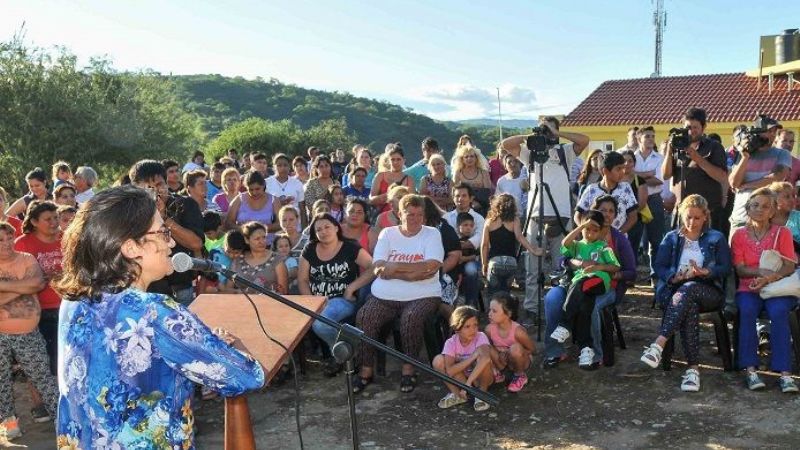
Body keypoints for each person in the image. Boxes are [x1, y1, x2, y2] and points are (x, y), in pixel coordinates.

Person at [54, 185, 264, 447]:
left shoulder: (74, 302)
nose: (172, 242)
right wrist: (232, 347)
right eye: (163, 232)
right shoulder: (154, 312)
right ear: (131, 247)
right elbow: (244, 376)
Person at [639, 194, 732, 392]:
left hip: (707, 290)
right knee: (688, 302)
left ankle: (659, 344)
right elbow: (659, 266)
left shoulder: (716, 237)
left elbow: (726, 268)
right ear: (682, 216)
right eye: (688, 217)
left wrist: (706, 271)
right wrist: (674, 277)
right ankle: (693, 370)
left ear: (705, 217)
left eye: (697, 218)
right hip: (674, 289)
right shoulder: (671, 237)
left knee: (690, 289)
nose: (692, 222)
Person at [502, 116, 590, 320]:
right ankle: (532, 309)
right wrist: (532, 135)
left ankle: (559, 307)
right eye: (545, 130)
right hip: (535, 215)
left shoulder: (565, 152)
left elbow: (584, 140)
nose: (547, 134)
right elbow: (505, 145)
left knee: (561, 266)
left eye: (549, 130)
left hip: (562, 215)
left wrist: (556, 133)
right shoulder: (529, 154)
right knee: (533, 268)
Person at [354, 195, 443, 394]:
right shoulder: (388, 234)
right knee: (365, 316)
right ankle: (365, 369)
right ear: (399, 214)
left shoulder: (431, 234)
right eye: (410, 214)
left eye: (420, 214)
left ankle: (409, 369)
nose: (415, 219)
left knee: (410, 318)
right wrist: (411, 274)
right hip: (384, 296)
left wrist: (394, 267)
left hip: (424, 295)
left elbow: (432, 266)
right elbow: (378, 267)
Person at [543, 195, 635, 368]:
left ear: (615, 215)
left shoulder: (618, 239)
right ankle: (555, 351)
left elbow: (630, 272)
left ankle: (594, 353)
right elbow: (563, 260)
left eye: (611, 211)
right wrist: (578, 263)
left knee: (590, 305)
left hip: (604, 287)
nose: (607, 214)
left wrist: (601, 269)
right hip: (573, 281)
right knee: (552, 298)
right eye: (602, 210)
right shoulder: (581, 239)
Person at [731, 187, 798, 392]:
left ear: (773, 211)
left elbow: (789, 265)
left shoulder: (783, 233)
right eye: (755, 205)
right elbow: (740, 269)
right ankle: (751, 370)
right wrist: (759, 272)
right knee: (747, 310)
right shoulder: (739, 235)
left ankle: (785, 373)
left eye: (766, 206)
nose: (759, 209)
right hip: (748, 287)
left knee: (779, 312)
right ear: (748, 208)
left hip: (777, 287)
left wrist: (769, 277)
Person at [0, 221, 57, 441]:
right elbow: (30, 285)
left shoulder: (27, 259)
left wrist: (3, 286)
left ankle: (61, 417)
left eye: (9, 238)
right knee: (1, 381)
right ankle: (9, 423)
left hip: (28, 333)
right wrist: (22, 285)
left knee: (43, 376)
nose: (6, 243)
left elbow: (37, 284)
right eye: (0, 239)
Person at [301, 213, 374, 376]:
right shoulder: (310, 249)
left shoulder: (350, 247)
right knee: (316, 320)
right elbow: (302, 280)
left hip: (343, 299)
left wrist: (351, 288)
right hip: (318, 301)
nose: (323, 231)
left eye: (327, 227)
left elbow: (373, 267)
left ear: (336, 228)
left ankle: (342, 355)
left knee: (320, 324)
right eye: (318, 229)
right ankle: (346, 354)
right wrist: (313, 301)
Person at [550, 210, 620, 369]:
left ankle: (565, 324)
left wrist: (598, 266)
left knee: (582, 285)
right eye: (587, 229)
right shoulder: (577, 246)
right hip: (580, 283)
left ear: (601, 231)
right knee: (584, 307)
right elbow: (564, 244)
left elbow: (615, 267)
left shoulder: (603, 247)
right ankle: (586, 349)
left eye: (595, 230)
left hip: (599, 280)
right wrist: (581, 226)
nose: (590, 233)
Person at [129, 160, 204, 305]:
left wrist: (163, 216)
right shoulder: (131, 212)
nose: (155, 191)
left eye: (159, 185)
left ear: (166, 183)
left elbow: (196, 244)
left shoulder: (185, 204)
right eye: (148, 188)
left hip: (181, 284)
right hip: (149, 288)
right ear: (136, 189)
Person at [13, 201, 62, 375]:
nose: (54, 222)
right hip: (37, 310)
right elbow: (16, 276)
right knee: (44, 362)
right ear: (34, 222)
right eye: (48, 219)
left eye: (56, 217)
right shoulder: (22, 243)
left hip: (65, 304)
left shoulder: (66, 238)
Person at [661, 108, 728, 230]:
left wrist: (697, 158)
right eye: (688, 127)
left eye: (695, 127)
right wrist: (669, 152)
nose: (691, 131)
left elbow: (722, 176)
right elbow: (666, 175)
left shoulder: (714, 147)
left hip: (706, 212)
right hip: (682, 211)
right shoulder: (677, 146)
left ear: (704, 127)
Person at [729, 116, 792, 228]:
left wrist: (746, 185)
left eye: (774, 131)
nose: (772, 135)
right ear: (756, 132)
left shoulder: (782, 154)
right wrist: (745, 157)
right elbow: (734, 183)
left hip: (769, 220)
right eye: (768, 131)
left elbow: (777, 178)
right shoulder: (743, 153)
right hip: (741, 217)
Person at [433, 306, 495, 412]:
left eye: (475, 325)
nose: (473, 330)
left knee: (483, 360)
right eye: (467, 327)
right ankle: (457, 395)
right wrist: (472, 357)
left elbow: (485, 359)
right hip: (462, 378)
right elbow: (450, 371)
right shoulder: (451, 343)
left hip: (480, 379)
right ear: (457, 329)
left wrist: (468, 384)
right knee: (438, 360)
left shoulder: (481, 337)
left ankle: (481, 394)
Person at [480, 194, 543, 296]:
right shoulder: (514, 220)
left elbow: (484, 245)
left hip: (494, 262)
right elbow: (520, 237)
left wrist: (484, 264)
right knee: (506, 294)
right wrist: (533, 250)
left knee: (493, 294)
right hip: (511, 261)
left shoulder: (489, 221)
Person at [575, 151, 638, 233]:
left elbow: (633, 217)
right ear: (605, 171)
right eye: (618, 169)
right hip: (595, 243)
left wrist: (617, 236)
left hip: (617, 242)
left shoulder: (625, 188)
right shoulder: (591, 190)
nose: (623, 172)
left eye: (623, 168)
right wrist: (588, 233)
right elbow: (577, 216)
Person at [443, 184, 485, 309]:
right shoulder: (446, 218)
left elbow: (476, 241)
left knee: (471, 271)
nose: (460, 199)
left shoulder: (478, 218)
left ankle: (470, 305)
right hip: (450, 257)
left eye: (464, 195)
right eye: (457, 196)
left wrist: (455, 245)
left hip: (470, 258)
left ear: (471, 198)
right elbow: (444, 241)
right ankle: (447, 305)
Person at [485, 292, 534, 393]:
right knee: (484, 346)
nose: (489, 314)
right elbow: (489, 346)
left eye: (494, 311)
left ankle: (520, 376)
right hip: (502, 362)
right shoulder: (489, 329)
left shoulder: (518, 331)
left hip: (520, 361)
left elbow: (532, 349)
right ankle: (498, 372)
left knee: (515, 348)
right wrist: (499, 352)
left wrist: (509, 351)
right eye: (490, 309)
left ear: (508, 314)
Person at [632, 126, 666, 266]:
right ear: (639, 139)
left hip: (654, 200)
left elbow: (659, 180)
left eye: (653, 136)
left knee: (656, 240)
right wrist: (647, 174)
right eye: (647, 136)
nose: (651, 139)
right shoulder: (630, 158)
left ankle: (656, 276)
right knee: (633, 238)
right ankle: (630, 274)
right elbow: (627, 177)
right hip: (635, 200)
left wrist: (636, 176)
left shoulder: (660, 158)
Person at [225, 221, 288, 295]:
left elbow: (284, 292)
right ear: (247, 240)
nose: (262, 241)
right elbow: (228, 289)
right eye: (257, 239)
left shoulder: (277, 260)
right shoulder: (238, 260)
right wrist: (240, 292)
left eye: (264, 237)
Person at [226, 170, 282, 244]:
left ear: (264, 185)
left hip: (267, 244)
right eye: (251, 190)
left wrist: (258, 229)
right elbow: (229, 223)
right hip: (243, 245)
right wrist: (244, 229)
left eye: (257, 189)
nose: (254, 193)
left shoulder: (274, 200)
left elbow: (280, 224)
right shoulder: (239, 199)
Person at [370, 144, 415, 214]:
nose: (395, 162)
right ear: (389, 161)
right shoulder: (380, 176)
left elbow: (412, 202)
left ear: (404, 160)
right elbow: (371, 199)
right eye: (392, 159)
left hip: (401, 216)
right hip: (382, 215)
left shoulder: (409, 180)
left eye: (398, 159)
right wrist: (384, 197)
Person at [267, 153, 307, 226]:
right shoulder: (266, 183)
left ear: (289, 167)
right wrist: (279, 203)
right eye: (279, 165)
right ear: (274, 167)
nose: (283, 168)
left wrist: (304, 228)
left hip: (296, 226)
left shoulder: (297, 183)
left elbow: (302, 208)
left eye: (285, 165)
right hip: (275, 226)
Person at [452, 145, 493, 215]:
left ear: (476, 158)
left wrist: (477, 202)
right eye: (466, 157)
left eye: (472, 156)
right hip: (462, 206)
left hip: (481, 207)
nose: (469, 159)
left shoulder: (484, 172)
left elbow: (487, 191)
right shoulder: (458, 172)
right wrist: (470, 202)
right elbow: (455, 192)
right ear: (462, 159)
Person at [495, 153, 529, 218]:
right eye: (509, 162)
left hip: (527, 215)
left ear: (520, 163)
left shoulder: (527, 178)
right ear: (505, 166)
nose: (513, 164)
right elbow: (498, 200)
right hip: (509, 216)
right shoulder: (501, 181)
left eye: (516, 161)